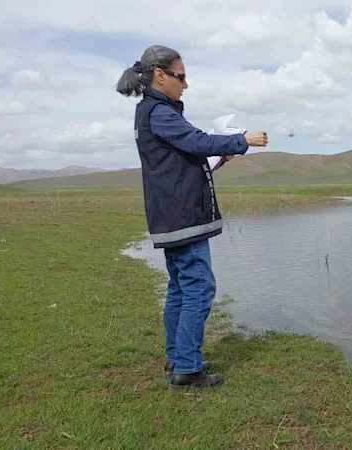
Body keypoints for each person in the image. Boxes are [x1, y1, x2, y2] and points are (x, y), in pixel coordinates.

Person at [116, 45, 269, 390]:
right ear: (160, 75)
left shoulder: (155, 112)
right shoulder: (160, 112)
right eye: (180, 76)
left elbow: (186, 155)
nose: (185, 84)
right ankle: (186, 367)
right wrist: (242, 140)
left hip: (173, 215)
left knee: (181, 288)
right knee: (199, 287)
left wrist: (220, 156)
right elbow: (196, 140)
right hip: (182, 216)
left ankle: (178, 357)